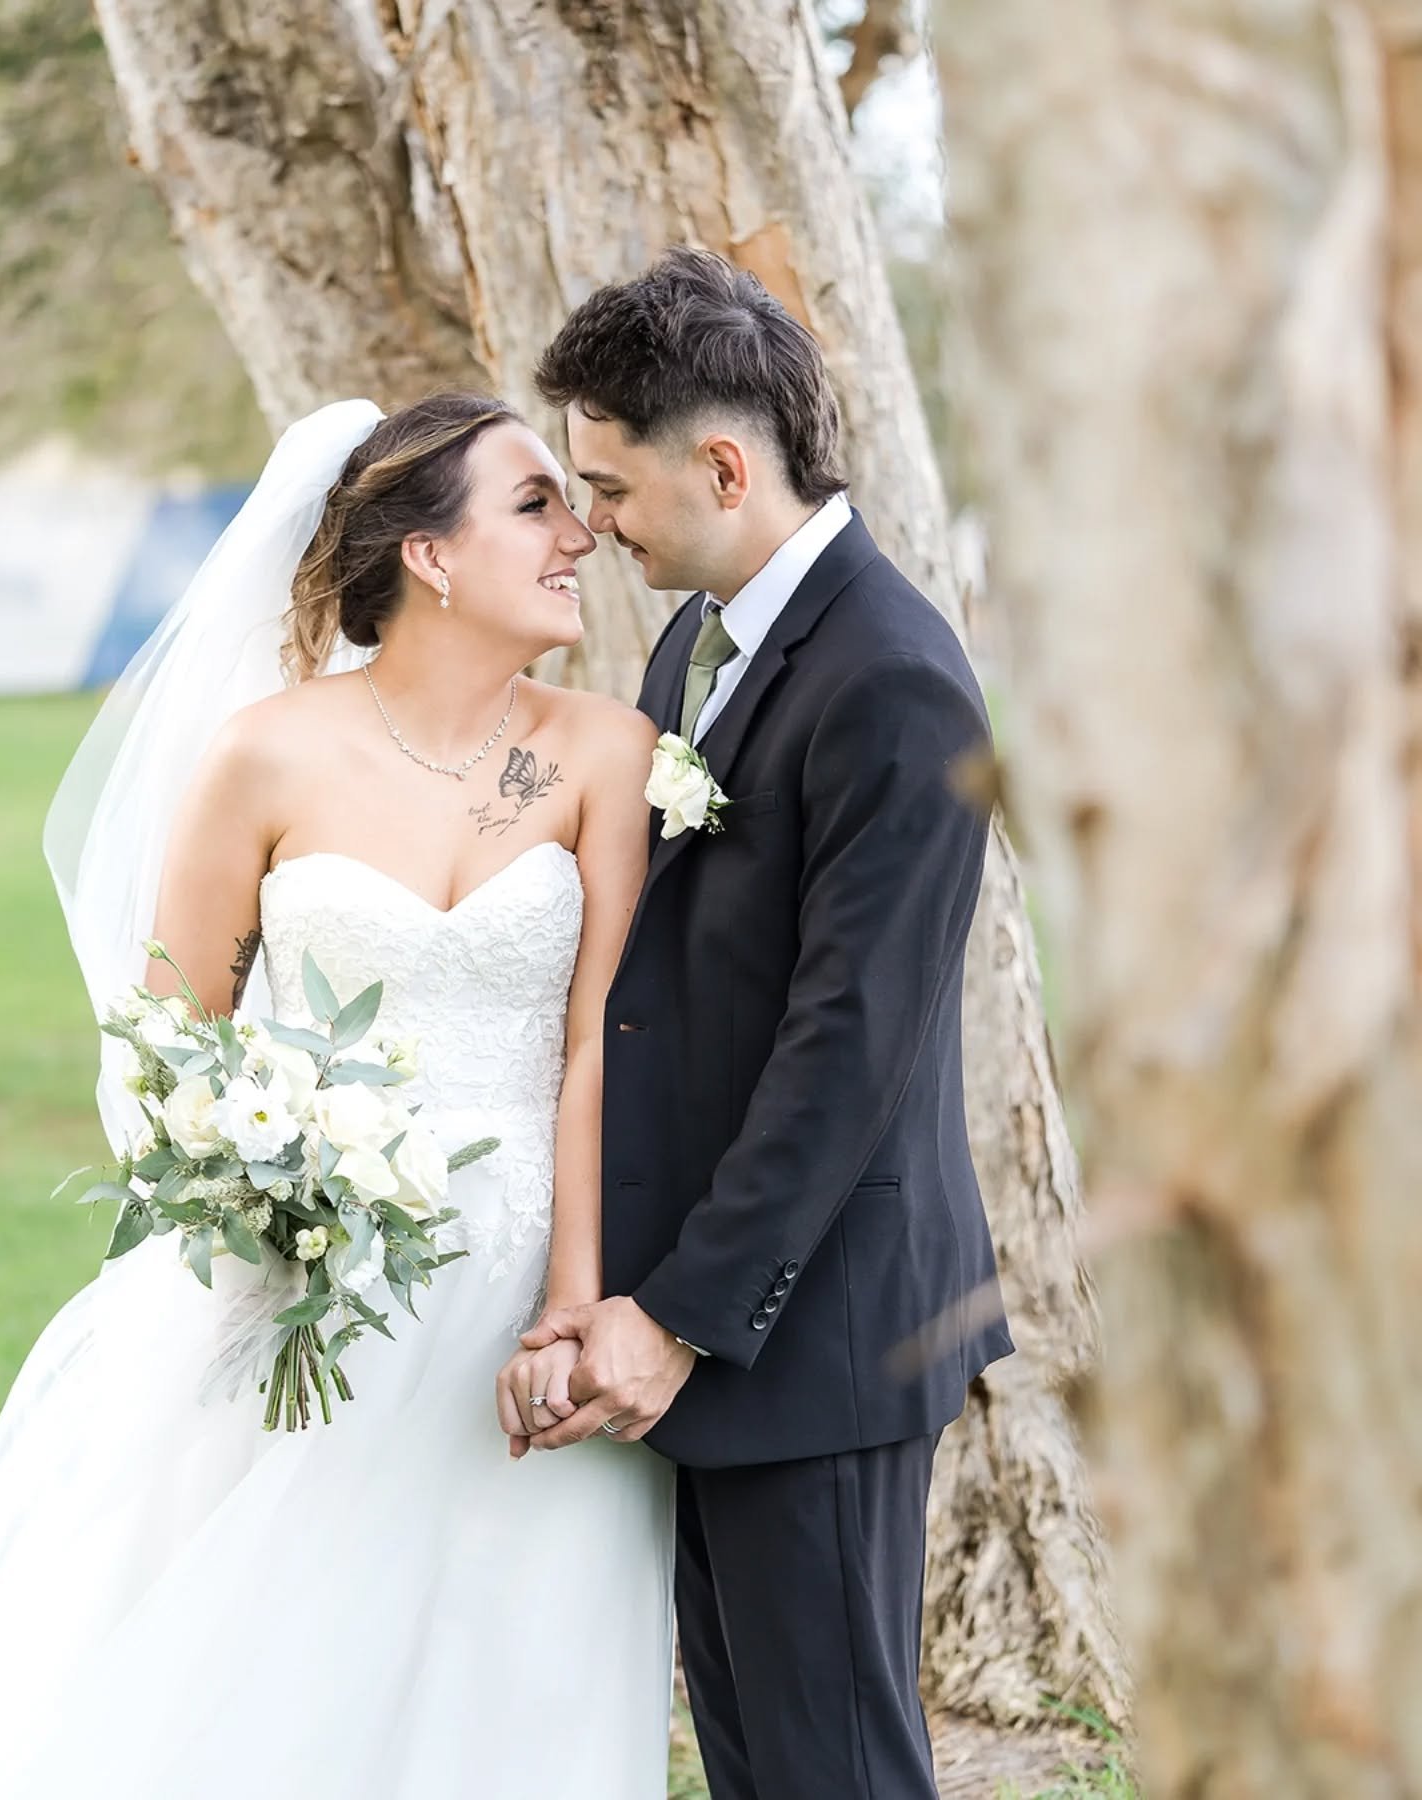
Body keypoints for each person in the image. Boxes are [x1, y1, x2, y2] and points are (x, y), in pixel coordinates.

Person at [0, 393, 674, 1798]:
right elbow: (172, 1041)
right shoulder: (265, 755)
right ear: (428, 556)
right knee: (273, 1646)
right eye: (535, 504)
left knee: (520, 1659)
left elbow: (600, 1034)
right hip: (309, 1287)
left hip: (526, 1273)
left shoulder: (604, 749)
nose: (579, 534)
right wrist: (270, 1200)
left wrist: (577, 1299)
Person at [496, 247, 1015, 1800]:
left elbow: (845, 1052)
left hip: (819, 1329)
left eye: (609, 487)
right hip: (712, 1324)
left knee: (834, 1765)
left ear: (725, 466)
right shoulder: (696, 637)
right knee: (754, 1759)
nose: (588, 524)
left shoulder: (897, 682)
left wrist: (682, 1315)